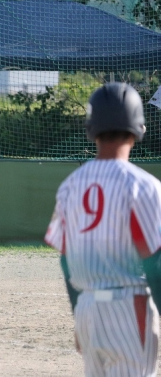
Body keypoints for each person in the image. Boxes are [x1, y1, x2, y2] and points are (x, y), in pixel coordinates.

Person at [45, 82, 161, 376]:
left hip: (88, 308)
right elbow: (155, 263)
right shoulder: (144, 186)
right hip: (129, 308)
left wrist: (78, 315)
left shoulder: (70, 186)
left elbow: (65, 260)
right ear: (138, 129)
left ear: (91, 129)